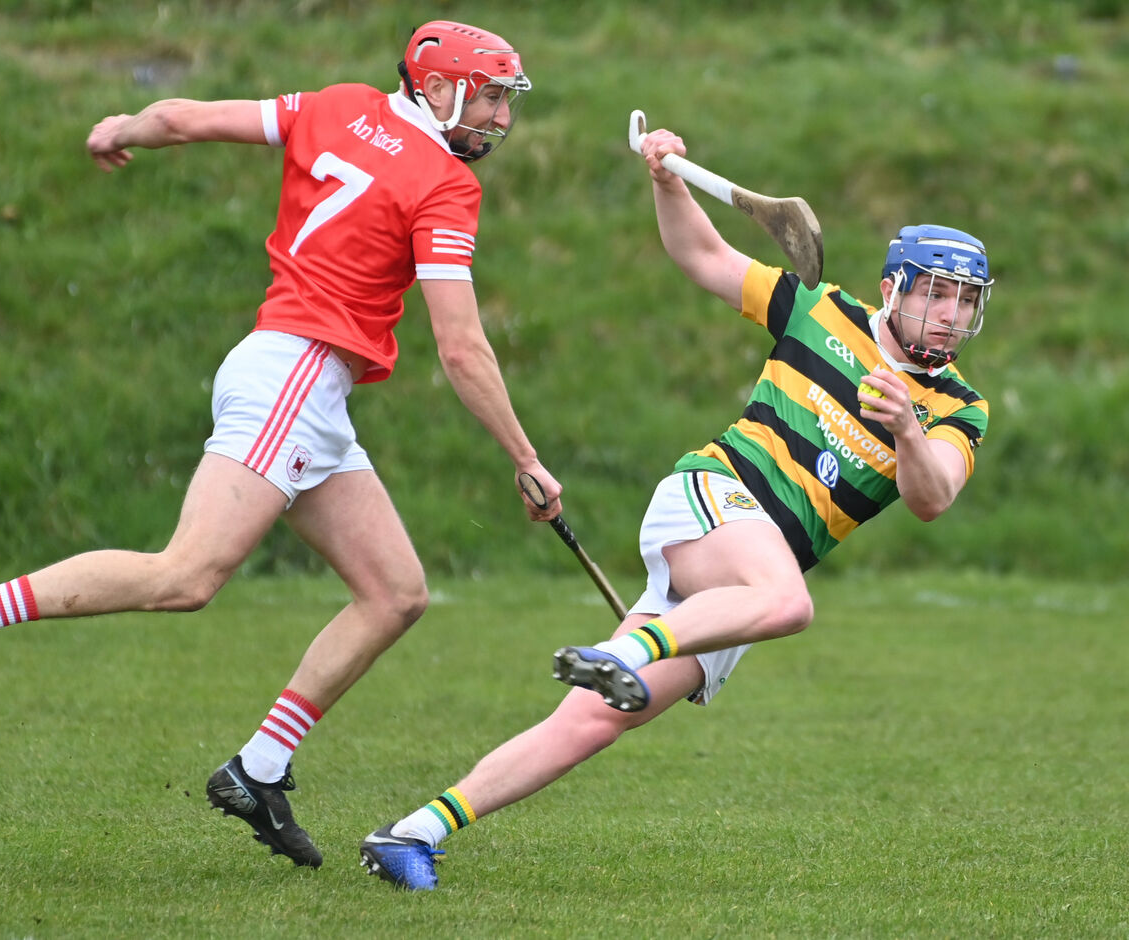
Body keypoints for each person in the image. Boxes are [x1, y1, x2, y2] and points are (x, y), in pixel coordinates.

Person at [0, 20, 562, 868]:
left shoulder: (336, 105)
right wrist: (524, 457)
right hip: (295, 376)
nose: (498, 119)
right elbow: (461, 346)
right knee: (185, 575)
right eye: (487, 97)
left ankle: (258, 769)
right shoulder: (444, 182)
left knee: (395, 592)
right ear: (438, 87)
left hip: (299, 381)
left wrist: (122, 127)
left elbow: (189, 119)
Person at [359, 125, 994, 890]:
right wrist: (667, 181)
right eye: (936, 291)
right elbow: (703, 257)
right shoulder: (817, 310)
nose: (951, 314)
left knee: (596, 722)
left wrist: (908, 428)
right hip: (711, 499)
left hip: (742, 580)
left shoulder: (958, 407)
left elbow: (932, 498)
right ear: (893, 288)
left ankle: (412, 832)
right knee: (790, 604)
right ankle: (625, 653)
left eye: (965, 299)